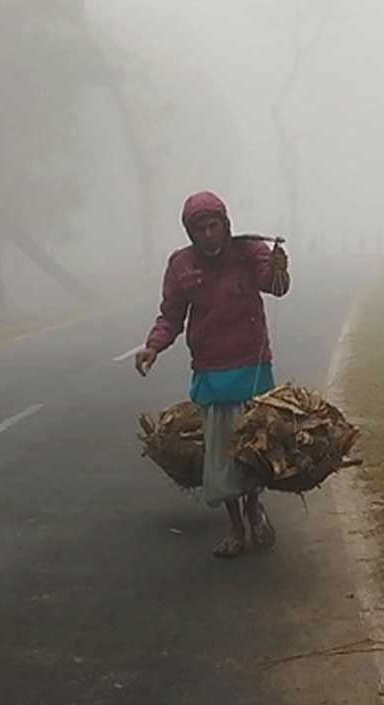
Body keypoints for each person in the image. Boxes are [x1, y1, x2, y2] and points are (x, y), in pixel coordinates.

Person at [136, 191, 290, 558]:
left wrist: (279, 268)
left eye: (213, 225)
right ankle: (236, 527)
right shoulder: (181, 266)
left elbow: (277, 287)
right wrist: (153, 346)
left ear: (226, 224)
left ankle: (254, 509)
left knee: (253, 451)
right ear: (189, 232)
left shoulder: (250, 252)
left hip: (252, 367)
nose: (208, 234)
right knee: (221, 459)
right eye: (199, 228)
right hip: (210, 371)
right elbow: (171, 315)